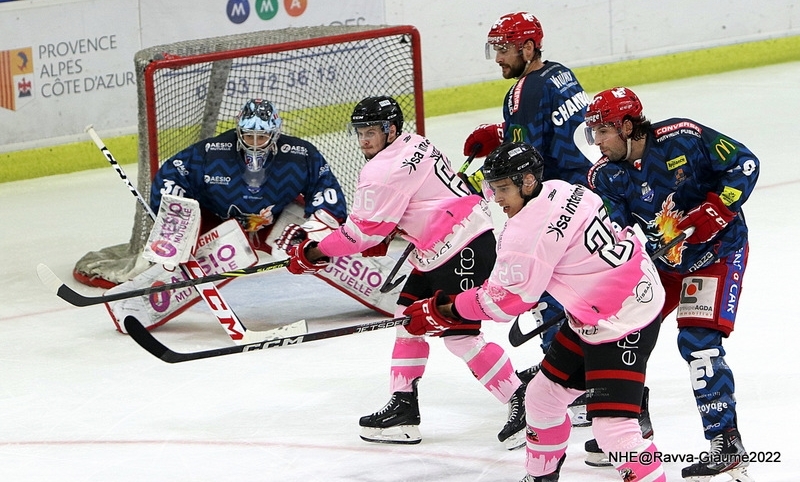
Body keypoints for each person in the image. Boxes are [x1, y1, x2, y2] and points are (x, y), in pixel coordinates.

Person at [403, 142, 667, 482]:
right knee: (542, 397)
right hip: (611, 302)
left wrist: (445, 309)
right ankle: (541, 477)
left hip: (622, 321)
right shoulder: (563, 189)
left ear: (528, 182)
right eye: (493, 187)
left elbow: (506, 302)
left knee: (613, 430)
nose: (496, 198)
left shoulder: (526, 234)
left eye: (503, 188)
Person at [281, 95, 528, 450]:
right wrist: (389, 228)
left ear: (391, 129)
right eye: (359, 132)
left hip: (462, 245)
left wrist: (313, 253)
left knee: (459, 335)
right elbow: (411, 205)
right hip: (438, 246)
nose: (364, 140)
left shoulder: (382, 169)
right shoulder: (417, 143)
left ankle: (523, 403)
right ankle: (403, 408)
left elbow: (363, 232)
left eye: (371, 132)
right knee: (405, 319)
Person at [584, 86, 758, 482]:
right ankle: (631, 426)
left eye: (602, 132)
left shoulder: (685, 137)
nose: (596, 142)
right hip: (661, 264)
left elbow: (745, 164)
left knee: (697, 343)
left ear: (627, 126)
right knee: (622, 331)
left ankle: (726, 442)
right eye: (593, 133)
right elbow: (614, 230)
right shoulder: (605, 175)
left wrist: (718, 208)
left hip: (717, 255)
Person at [462, 10, 601, 428]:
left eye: (504, 49)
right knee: (576, 290)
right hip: (590, 193)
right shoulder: (561, 74)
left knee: (547, 291)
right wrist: (503, 132)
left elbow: (525, 165)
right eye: (495, 49)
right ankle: (577, 374)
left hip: (555, 203)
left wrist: (482, 187)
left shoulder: (522, 93)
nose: (498, 58)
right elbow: (546, 134)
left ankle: (567, 385)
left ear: (527, 47)